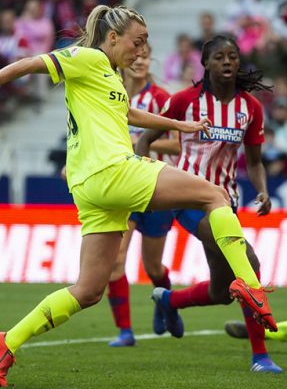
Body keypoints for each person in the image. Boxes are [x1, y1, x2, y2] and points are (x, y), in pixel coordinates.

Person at [0, 6, 276, 387]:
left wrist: (177, 123)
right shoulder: (87, 57)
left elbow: (128, 114)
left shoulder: (108, 76)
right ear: (113, 37)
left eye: (146, 44)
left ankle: (8, 340)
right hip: (112, 171)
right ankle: (249, 285)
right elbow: (34, 62)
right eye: (137, 42)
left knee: (87, 291)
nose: (141, 51)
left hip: (91, 190)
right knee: (215, 195)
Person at [136, 35, 282, 373]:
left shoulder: (250, 108)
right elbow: (146, 138)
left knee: (221, 291)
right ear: (206, 63)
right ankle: (260, 356)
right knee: (249, 263)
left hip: (225, 202)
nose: (227, 62)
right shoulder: (185, 100)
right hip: (187, 197)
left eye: (232, 56)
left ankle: (168, 300)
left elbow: (255, 161)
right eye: (219, 57)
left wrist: (263, 191)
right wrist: (145, 177)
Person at [104, 42, 177, 348]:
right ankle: (125, 331)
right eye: (137, 55)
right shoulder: (108, 91)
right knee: (116, 261)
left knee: (153, 268)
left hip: (155, 187)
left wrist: (139, 140)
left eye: (147, 56)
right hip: (123, 187)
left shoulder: (160, 97)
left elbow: (175, 146)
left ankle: (165, 302)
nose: (140, 61)